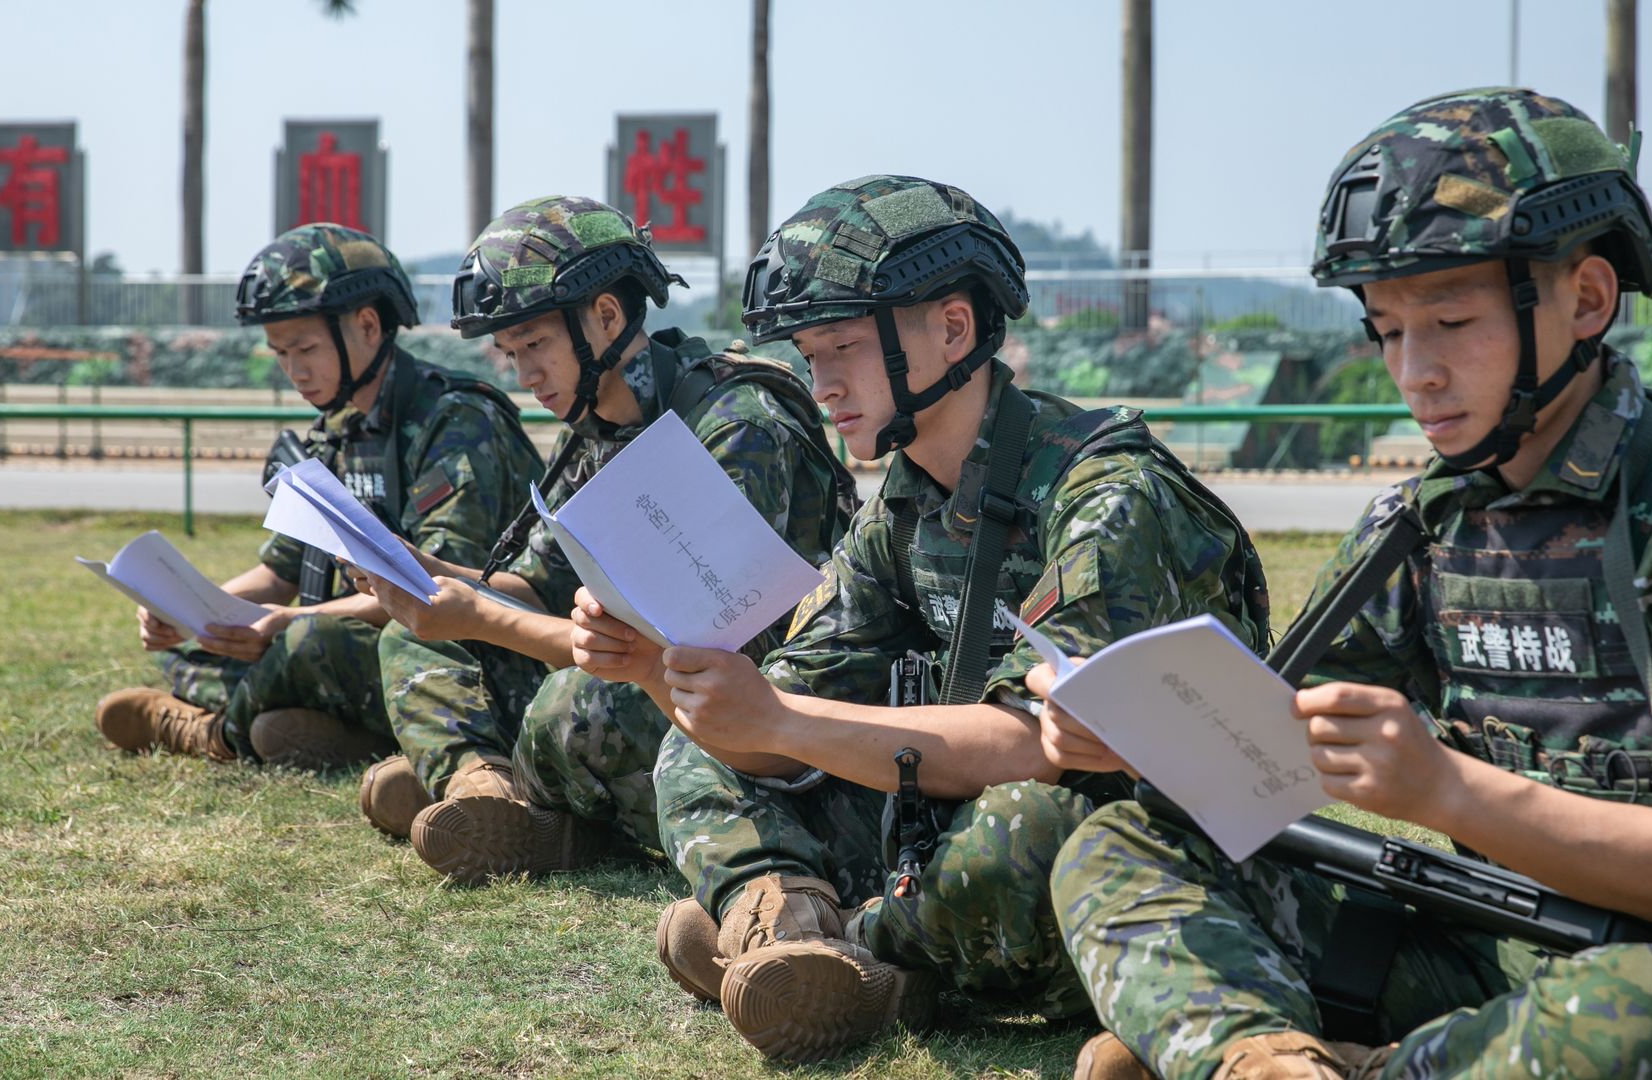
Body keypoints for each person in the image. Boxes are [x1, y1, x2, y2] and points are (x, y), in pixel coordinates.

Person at [1037, 88, 1652, 1080]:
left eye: (1452, 319)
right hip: (1490, 950)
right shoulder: (1428, 520)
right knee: (1123, 842)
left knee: (1637, 1018)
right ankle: (1254, 1059)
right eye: (1386, 329)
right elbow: (1263, 739)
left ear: (1586, 301)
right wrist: (1127, 730)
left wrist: (1445, 789)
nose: (1413, 371)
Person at [571, 174, 1269, 1062]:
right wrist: (651, 666)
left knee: (1021, 830)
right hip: (946, 815)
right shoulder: (904, 505)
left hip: (1136, 855)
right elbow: (779, 722)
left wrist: (782, 718)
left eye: (845, 349)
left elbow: (1036, 746)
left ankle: (862, 961)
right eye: (809, 354)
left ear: (952, 329)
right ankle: (783, 914)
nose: (821, 383)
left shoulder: (1104, 494)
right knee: (692, 746)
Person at [352, 195, 857, 884]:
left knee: (575, 705)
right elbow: (534, 587)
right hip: (633, 666)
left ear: (607, 318)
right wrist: (423, 571)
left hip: (743, 700)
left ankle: (526, 806)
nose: (524, 374)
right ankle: (482, 786)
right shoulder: (595, 429)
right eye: (509, 353)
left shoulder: (735, 424)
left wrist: (477, 613)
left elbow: (670, 651)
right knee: (412, 633)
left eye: (535, 345)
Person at [94, 223, 541, 770]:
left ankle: (217, 734)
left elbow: (437, 591)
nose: (294, 371)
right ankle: (328, 734)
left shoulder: (456, 424)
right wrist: (187, 613)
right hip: (349, 639)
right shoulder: (333, 433)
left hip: (459, 655)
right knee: (204, 650)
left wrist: (286, 625)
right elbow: (280, 573)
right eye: (280, 353)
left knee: (308, 644)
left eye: (305, 348)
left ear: (368, 326)